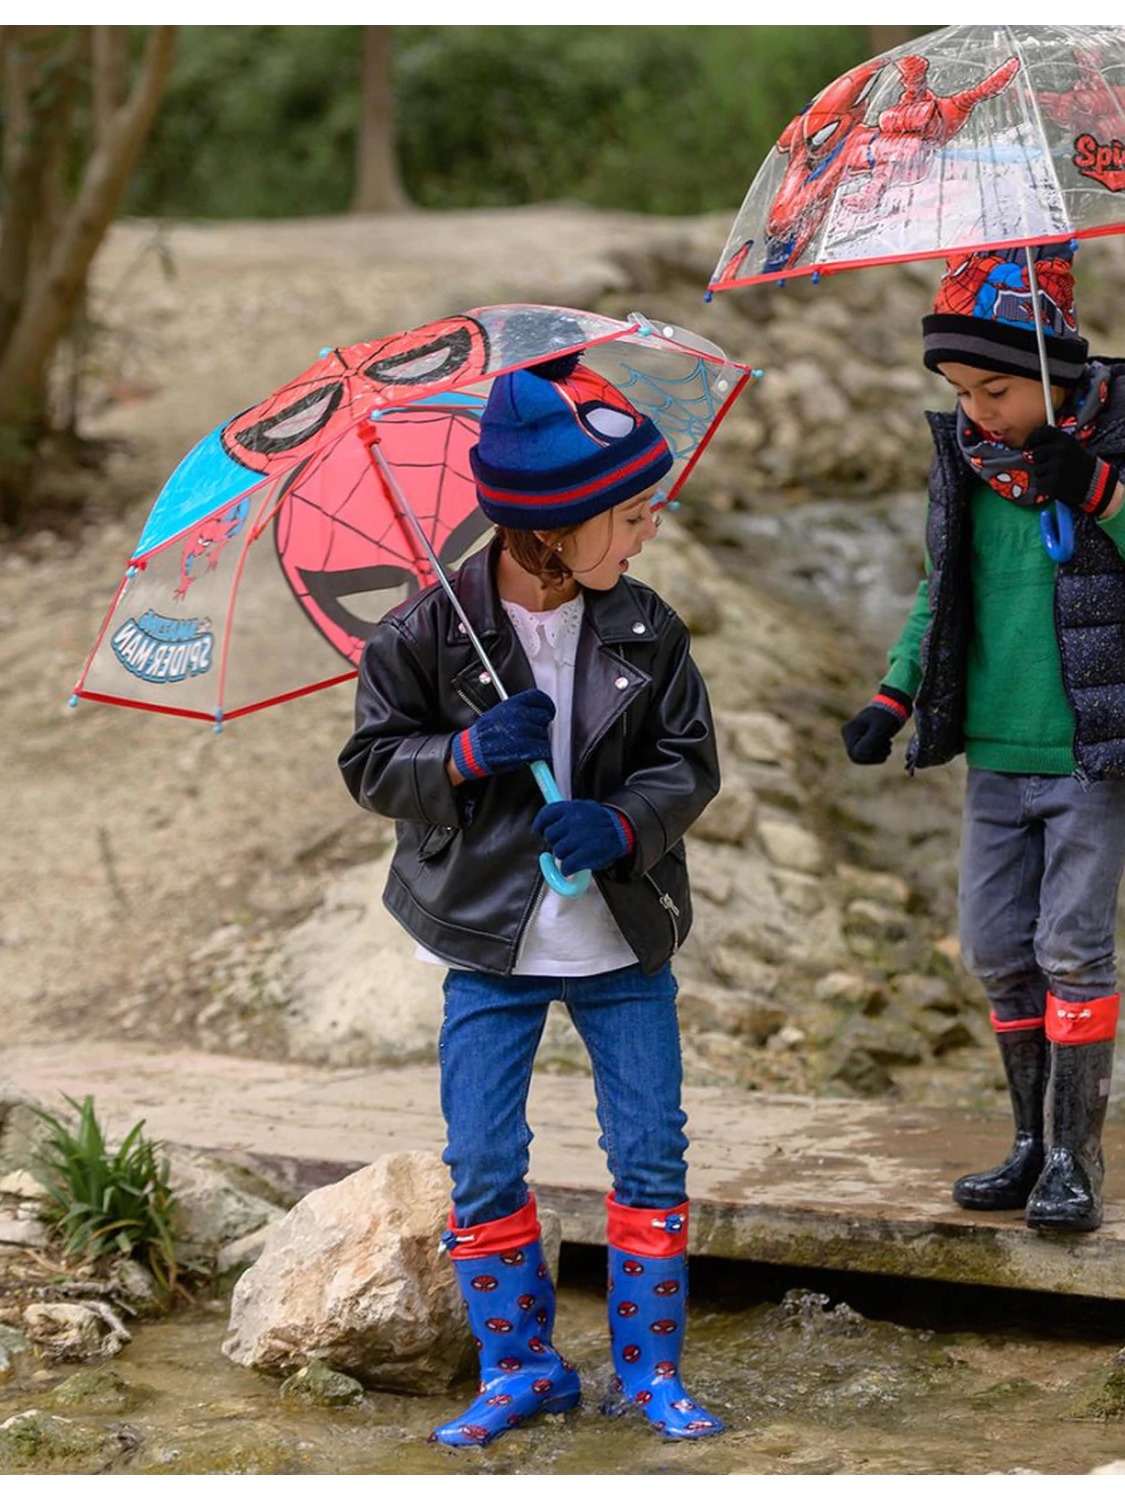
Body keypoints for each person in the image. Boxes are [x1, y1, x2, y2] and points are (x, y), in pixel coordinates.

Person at [339, 351, 725, 1447]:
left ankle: (648, 1375)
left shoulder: (648, 625)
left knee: (651, 1146)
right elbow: (372, 765)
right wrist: (461, 752)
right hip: (488, 941)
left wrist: (620, 824)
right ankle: (522, 1366)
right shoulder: (423, 634)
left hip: (622, 938)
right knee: (483, 1154)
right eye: (630, 514)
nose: (647, 531)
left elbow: (686, 764)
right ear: (551, 527)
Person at [840, 241, 1125, 1233]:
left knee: (1071, 946)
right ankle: (1027, 1145)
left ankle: (1076, 1160)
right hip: (995, 751)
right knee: (998, 947)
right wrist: (894, 691)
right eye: (960, 390)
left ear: (1053, 369)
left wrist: (1096, 490)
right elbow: (939, 590)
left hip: (1092, 750)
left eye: (996, 388)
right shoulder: (965, 463)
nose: (977, 411)